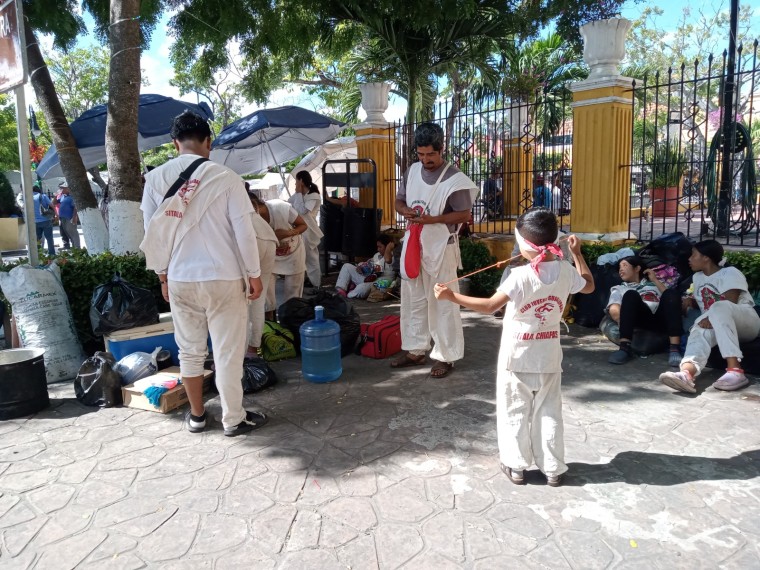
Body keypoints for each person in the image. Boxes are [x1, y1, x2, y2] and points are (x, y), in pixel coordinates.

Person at [434, 209, 594, 486]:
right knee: (549, 411)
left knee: (514, 409)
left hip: (517, 357)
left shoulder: (519, 275)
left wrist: (451, 296)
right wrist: (577, 254)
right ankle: (553, 468)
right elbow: (589, 286)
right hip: (549, 356)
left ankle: (516, 466)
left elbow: (489, 306)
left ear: (522, 243)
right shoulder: (566, 270)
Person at [140, 110, 266, 437]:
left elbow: (153, 235)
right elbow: (244, 232)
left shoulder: (154, 180)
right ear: (208, 141)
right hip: (224, 278)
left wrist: (163, 277)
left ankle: (197, 416)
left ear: (174, 144)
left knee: (190, 351)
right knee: (227, 352)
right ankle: (233, 418)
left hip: (181, 279)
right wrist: (254, 274)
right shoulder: (226, 178)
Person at [391, 122, 476, 379]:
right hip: (414, 243)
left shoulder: (455, 179)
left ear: (442, 150)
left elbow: (464, 214)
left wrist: (432, 219)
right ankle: (416, 349)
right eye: (420, 154)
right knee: (413, 299)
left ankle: (445, 356)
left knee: (443, 301)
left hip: (441, 247)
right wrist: (402, 210)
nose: (425, 159)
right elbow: (399, 199)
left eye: (430, 154)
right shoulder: (412, 171)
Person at [659, 240, 760, 393]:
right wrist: (691, 301)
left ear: (706, 257)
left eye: (693, 255)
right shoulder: (698, 277)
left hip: (745, 322)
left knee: (718, 308)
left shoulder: (730, 272)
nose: (689, 258)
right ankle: (687, 373)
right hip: (717, 324)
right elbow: (706, 302)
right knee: (699, 325)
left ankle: (735, 370)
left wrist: (710, 315)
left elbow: (729, 301)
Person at [606, 255, 683, 366]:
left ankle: (674, 349)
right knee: (630, 294)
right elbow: (614, 308)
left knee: (671, 293)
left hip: (660, 319)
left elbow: (669, 298)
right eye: (619, 267)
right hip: (640, 320)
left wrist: (655, 280)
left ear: (637, 269)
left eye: (624, 265)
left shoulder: (653, 285)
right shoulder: (619, 288)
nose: (621, 269)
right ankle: (624, 348)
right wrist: (621, 322)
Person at [250, 196, 308, 310]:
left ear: (255, 205)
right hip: (270, 256)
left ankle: (291, 318)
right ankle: (270, 320)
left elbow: (303, 225)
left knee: (293, 294)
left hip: (293, 253)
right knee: (266, 295)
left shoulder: (280, 208)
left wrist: (288, 233)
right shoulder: (250, 220)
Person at [245, 187, 279, 356]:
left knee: (241, 302)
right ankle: (253, 351)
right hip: (268, 238)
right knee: (257, 300)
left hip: (250, 240)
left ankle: (244, 354)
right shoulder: (251, 204)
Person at [289, 171, 324, 288]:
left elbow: (302, 210)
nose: (295, 185)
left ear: (301, 181)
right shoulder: (299, 195)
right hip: (298, 230)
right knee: (299, 257)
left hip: (309, 231)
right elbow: (288, 204)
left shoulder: (313, 196)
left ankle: (316, 285)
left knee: (311, 259)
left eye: (296, 182)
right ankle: (303, 281)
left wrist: (298, 194)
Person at [335, 235, 395, 299]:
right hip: (369, 279)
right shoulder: (377, 255)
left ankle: (351, 292)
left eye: (380, 247)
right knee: (346, 266)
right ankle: (341, 291)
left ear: (387, 246)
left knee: (361, 288)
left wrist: (388, 248)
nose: (378, 249)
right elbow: (369, 265)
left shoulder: (393, 255)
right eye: (377, 247)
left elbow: (388, 260)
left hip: (380, 284)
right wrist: (360, 268)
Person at [32, 182, 56, 256]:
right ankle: (51, 254)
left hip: (35, 221)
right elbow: (52, 205)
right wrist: (56, 215)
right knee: (49, 238)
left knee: (37, 239)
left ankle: (38, 254)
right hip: (46, 220)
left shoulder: (28, 197)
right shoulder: (43, 196)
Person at [55, 181, 80, 249]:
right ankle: (73, 247)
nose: (61, 189)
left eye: (62, 188)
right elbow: (54, 203)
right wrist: (56, 195)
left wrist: (74, 217)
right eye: (60, 188)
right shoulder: (64, 197)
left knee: (72, 232)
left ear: (67, 188)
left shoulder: (72, 197)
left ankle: (77, 247)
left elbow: (75, 207)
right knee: (67, 233)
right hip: (63, 218)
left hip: (69, 218)